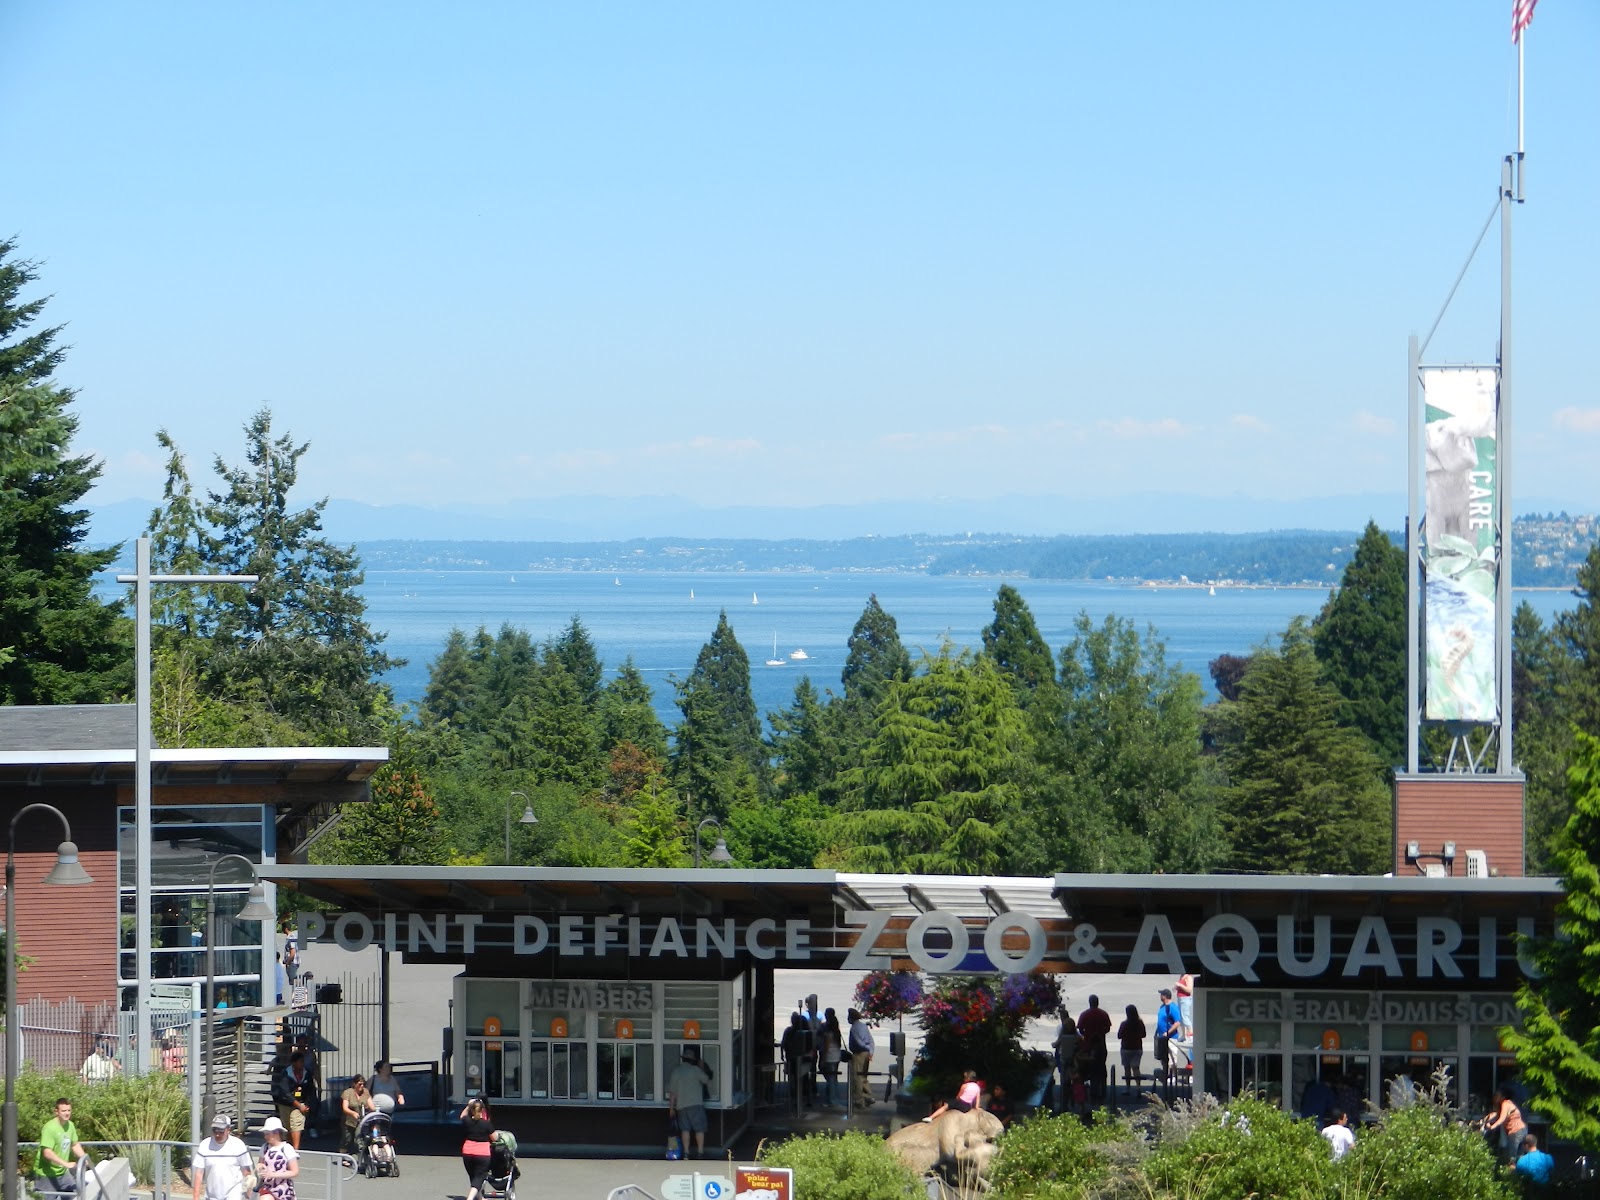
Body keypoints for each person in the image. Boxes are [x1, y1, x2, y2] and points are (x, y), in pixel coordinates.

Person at [666, 1045, 714, 1159]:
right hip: (696, 1104)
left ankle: (686, 1153)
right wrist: (702, 1067)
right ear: (692, 1060)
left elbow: (673, 1093)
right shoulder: (695, 1070)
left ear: (682, 1059)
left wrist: (671, 1109)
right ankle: (700, 1152)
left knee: (685, 1130)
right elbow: (706, 1080)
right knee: (699, 1129)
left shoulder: (676, 1071)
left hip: (681, 1106)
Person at [192, 1114, 253, 1200]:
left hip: (233, 1193)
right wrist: (196, 1196)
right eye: (215, 1131)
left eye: (221, 1131)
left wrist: (249, 1192)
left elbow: (246, 1171)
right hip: (211, 1194)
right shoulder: (204, 1145)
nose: (217, 1135)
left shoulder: (238, 1145)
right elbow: (199, 1173)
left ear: (228, 1129)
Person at [37, 1098, 88, 1194]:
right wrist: (66, 1164)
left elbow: (75, 1144)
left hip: (63, 1173)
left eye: (69, 1110)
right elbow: (47, 1152)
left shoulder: (70, 1125)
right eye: (63, 1111)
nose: (67, 1113)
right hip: (47, 1175)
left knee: (75, 1194)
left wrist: (84, 1158)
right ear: (56, 1111)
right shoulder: (50, 1128)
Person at [271, 1051, 317, 1150]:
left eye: (303, 1061)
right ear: (294, 1063)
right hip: (285, 1104)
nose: (302, 1064)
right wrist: (298, 1105)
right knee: (287, 1127)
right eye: (300, 1061)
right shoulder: (286, 1074)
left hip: (300, 1104)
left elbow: (311, 1090)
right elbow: (285, 1093)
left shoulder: (306, 1073)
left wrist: (307, 1104)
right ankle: (289, 1148)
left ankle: (295, 1150)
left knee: (296, 1125)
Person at [1077, 995, 1113, 1102]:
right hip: (1101, 1044)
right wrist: (1101, 1033)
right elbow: (1108, 1027)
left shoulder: (1085, 1014)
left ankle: (1093, 1092)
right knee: (1101, 1068)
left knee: (1090, 1070)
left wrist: (1086, 1035)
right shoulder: (1103, 1014)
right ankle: (1102, 1091)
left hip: (1088, 1045)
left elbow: (1080, 1028)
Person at [458, 1097, 495, 1200]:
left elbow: (462, 1116)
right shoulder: (486, 1124)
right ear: (482, 1110)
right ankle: (470, 1198)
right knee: (479, 1176)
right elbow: (495, 1137)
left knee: (473, 1176)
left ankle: (479, 1197)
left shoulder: (467, 1121)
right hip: (482, 1153)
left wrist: (468, 1105)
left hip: (468, 1152)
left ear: (471, 1110)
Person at [256, 1117, 299, 1200]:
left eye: (268, 1133)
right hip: (268, 1187)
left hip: (284, 1190)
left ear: (276, 1132)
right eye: (265, 1134)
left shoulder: (287, 1148)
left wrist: (273, 1174)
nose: (265, 1136)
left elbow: (295, 1172)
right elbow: (260, 1163)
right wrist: (260, 1166)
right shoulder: (265, 1147)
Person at [1483, 1086, 1526, 1162]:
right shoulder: (1502, 1106)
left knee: (1513, 1157)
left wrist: (1492, 1127)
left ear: (1503, 1097)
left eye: (1497, 1095)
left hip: (1516, 1131)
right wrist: (1484, 1121)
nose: (1495, 1097)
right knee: (1519, 1155)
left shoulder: (1506, 1104)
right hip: (1519, 1130)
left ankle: (1512, 1172)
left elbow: (1502, 1118)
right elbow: (1495, 1115)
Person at [340, 1073, 376, 1154]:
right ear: (354, 1084)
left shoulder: (365, 1092)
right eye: (360, 1084)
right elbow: (345, 1108)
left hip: (362, 1120)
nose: (362, 1086)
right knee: (347, 1139)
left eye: (363, 1084)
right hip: (349, 1121)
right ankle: (342, 1156)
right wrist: (353, 1113)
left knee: (360, 1139)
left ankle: (362, 1155)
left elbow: (371, 1105)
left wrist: (376, 1110)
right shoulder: (348, 1093)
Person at [1153, 988, 1183, 1082]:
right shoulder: (1162, 1007)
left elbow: (1177, 1022)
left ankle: (1173, 1076)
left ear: (1165, 996)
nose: (1160, 996)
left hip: (1171, 1037)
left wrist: (1168, 1032)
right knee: (1163, 1057)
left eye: (1161, 994)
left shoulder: (1172, 1007)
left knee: (1172, 1057)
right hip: (1161, 1037)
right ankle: (1166, 1074)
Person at [847, 1008, 875, 1109]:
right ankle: (868, 1096)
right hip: (866, 1053)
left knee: (857, 1077)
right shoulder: (863, 1026)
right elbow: (871, 1040)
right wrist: (870, 1051)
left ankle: (859, 1100)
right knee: (864, 1076)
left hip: (858, 1053)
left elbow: (859, 1042)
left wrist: (866, 1048)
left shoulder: (854, 1028)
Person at [780, 1013, 809, 1111]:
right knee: (803, 1077)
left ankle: (794, 1096)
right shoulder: (804, 1032)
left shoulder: (789, 1031)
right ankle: (804, 1097)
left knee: (792, 1078)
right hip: (802, 1059)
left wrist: (783, 1054)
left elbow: (783, 1044)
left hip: (791, 1057)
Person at [818, 1007, 844, 1107]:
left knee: (830, 1079)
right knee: (833, 1078)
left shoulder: (828, 1032)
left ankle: (832, 1099)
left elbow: (826, 1047)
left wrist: (823, 1060)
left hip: (829, 1057)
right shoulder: (836, 1030)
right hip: (836, 1056)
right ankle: (833, 1098)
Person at [1116, 1004, 1146, 1088]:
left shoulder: (1124, 1024)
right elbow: (1144, 1034)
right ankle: (1138, 1088)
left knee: (1127, 1068)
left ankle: (1128, 1088)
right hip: (1137, 1048)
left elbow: (1119, 1036)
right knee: (1136, 1068)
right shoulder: (1140, 1023)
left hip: (1126, 1048)